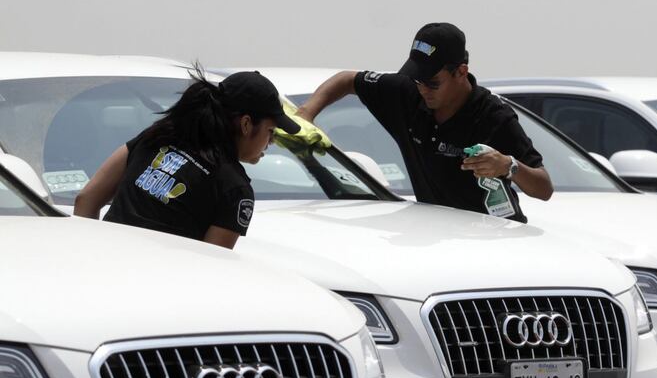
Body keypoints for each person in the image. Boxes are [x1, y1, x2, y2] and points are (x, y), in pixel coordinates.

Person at [297, 22, 553, 222]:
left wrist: (509, 166)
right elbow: (346, 80)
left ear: (461, 72)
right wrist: (307, 112)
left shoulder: (493, 116)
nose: (423, 89)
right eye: (417, 79)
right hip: (433, 235)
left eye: (432, 82)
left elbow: (544, 189)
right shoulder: (408, 92)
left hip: (496, 237)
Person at [74, 67, 299, 249]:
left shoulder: (156, 137)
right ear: (246, 124)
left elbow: (85, 200)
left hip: (103, 273)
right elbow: (209, 268)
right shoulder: (234, 189)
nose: (271, 142)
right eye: (271, 131)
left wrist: (90, 255)